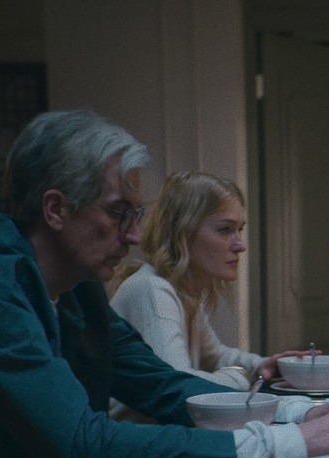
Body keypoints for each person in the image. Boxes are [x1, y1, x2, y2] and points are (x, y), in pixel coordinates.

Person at [0, 110, 329, 458]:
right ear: (56, 209)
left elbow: (164, 386)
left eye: (136, 214)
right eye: (118, 212)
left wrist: (297, 413)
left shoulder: (77, 287)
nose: (133, 235)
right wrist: (291, 440)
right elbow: (86, 446)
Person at [108, 171, 311, 421]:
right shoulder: (152, 290)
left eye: (239, 229)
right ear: (183, 232)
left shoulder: (183, 288)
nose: (240, 245)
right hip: (133, 439)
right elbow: (180, 386)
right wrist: (241, 376)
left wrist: (261, 364)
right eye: (225, 230)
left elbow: (214, 355)